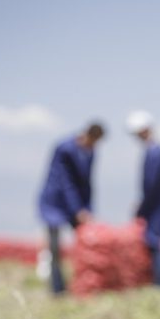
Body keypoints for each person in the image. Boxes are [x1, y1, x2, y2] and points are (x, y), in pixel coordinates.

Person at [38, 122, 104, 295]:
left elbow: (87, 183)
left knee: (85, 242)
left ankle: (83, 283)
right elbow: (67, 183)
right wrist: (78, 210)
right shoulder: (65, 149)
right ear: (87, 135)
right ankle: (57, 288)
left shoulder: (91, 152)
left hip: (77, 204)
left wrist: (88, 209)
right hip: (56, 202)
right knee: (54, 248)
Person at [127, 110, 160, 287]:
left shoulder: (156, 153)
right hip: (159, 207)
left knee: (155, 244)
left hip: (157, 208)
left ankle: (158, 283)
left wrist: (142, 207)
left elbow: (151, 185)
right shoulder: (158, 151)